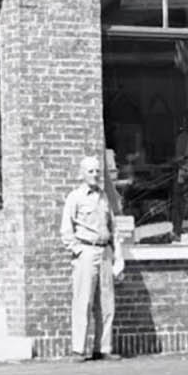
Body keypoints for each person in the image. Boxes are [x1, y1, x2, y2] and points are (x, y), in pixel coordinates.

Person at [60, 152, 122, 360]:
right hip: (86, 252)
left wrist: (117, 256)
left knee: (106, 303)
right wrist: (78, 250)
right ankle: (79, 349)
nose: (95, 175)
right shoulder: (75, 198)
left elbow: (113, 228)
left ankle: (103, 349)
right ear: (82, 174)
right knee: (83, 301)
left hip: (104, 251)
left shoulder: (104, 197)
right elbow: (66, 230)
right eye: (91, 171)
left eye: (97, 171)